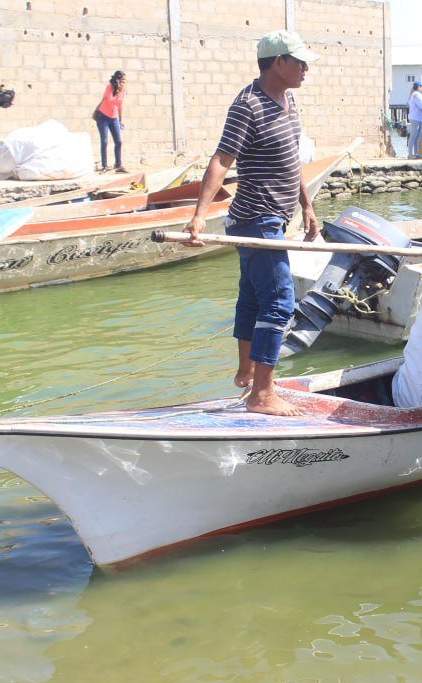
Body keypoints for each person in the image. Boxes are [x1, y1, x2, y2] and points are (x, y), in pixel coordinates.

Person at [183, 29, 320, 416]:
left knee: (253, 297)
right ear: (278, 62)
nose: (306, 68)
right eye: (300, 61)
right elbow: (221, 160)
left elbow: (292, 161)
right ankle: (263, 393)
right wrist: (198, 217)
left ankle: (246, 371)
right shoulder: (248, 105)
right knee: (279, 302)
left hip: (274, 217)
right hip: (255, 220)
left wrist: (306, 206)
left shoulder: (287, 100)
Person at [94, 70, 126, 173]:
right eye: (122, 81)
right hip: (102, 117)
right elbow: (110, 100)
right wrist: (117, 89)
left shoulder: (123, 90)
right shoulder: (109, 87)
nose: (124, 83)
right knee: (104, 141)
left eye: (125, 81)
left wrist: (120, 120)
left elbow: (120, 105)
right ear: (117, 80)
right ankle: (104, 166)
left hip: (113, 118)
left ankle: (118, 165)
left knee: (119, 141)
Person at [407, 81, 422, 159]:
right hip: (415, 118)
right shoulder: (416, 95)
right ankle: (410, 154)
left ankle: (416, 153)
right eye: (421, 87)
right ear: (419, 87)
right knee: (413, 136)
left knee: (416, 136)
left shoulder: (414, 94)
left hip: (417, 118)